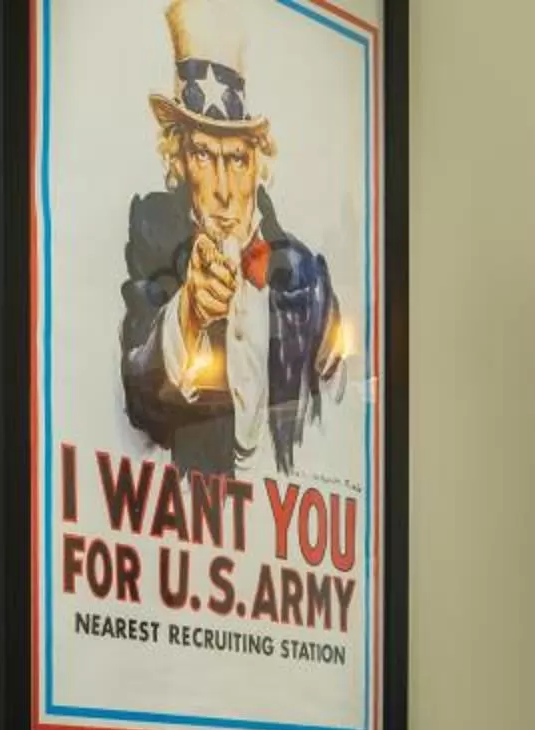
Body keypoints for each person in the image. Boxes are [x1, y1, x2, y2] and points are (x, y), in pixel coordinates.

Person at [118, 0, 348, 478]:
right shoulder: (152, 236)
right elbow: (141, 394)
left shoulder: (304, 273)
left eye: (237, 159)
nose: (223, 190)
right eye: (204, 155)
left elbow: (343, 416)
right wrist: (188, 315)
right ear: (177, 162)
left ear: (259, 165)